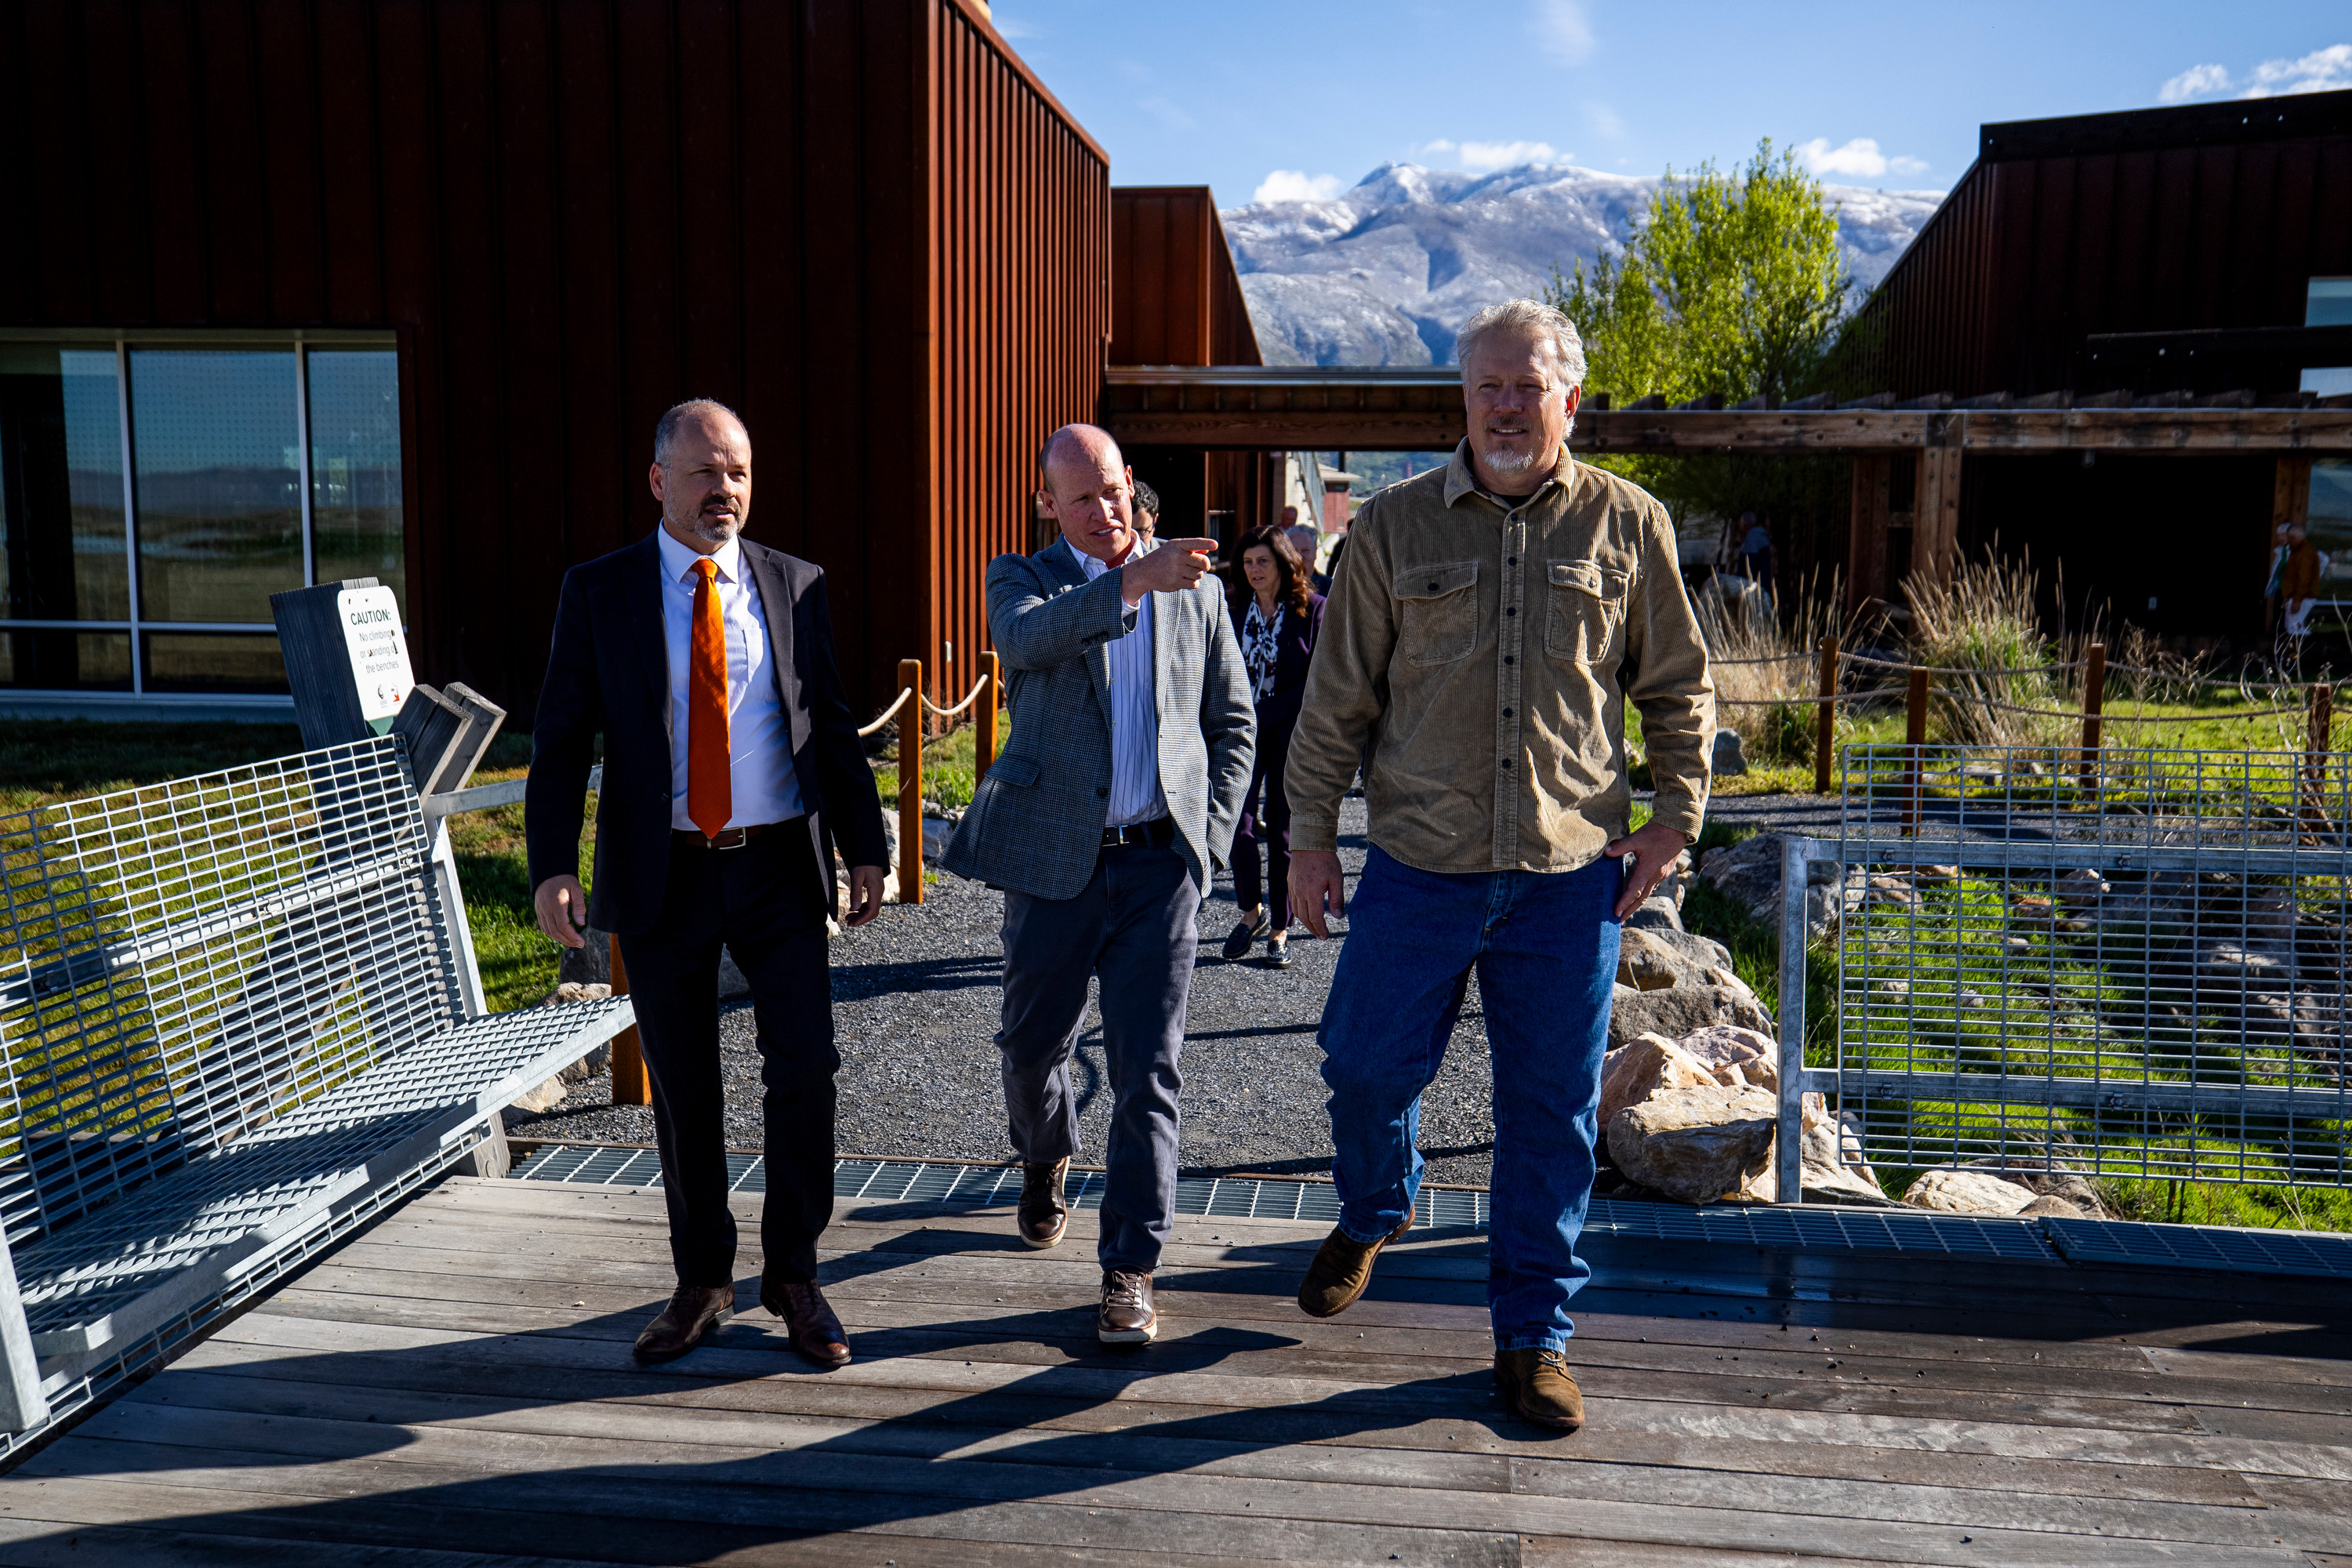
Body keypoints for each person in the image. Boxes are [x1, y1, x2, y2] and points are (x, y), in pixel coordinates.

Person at [1285, 299, 1713, 1432]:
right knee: (1364, 1067)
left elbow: (1678, 688)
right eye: (1488, 388)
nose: (1507, 407)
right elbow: (1335, 702)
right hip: (1418, 869)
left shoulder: (1631, 527)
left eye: (1529, 386)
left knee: (1550, 1115)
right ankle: (1380, 1201)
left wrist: (1674, 823)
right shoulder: (1388, 529)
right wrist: (1310, 837)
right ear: (1462, 401)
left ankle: (1534, 1338)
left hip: (1569, 882)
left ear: (1570, 396)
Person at [528, 399, 891, 1368]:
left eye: (737, 471)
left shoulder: (794, 584)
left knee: (805, 1070)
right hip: (664, 873)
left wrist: (866, 849)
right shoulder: (599, 592)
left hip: (776, 865)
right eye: (702, 472)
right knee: (687, 1091)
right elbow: (560, 740)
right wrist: (553, 864)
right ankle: (702, 1280)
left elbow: (833, 725)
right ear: (658, 481)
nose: (723, 489)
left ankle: (796, 1274)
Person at [941, 423, 1254, 1345]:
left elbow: (1231, 719)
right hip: (1051, 866)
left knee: (1147, 1072)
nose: (1107, 509)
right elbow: (1024, 642)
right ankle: (1046, 1155)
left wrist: (1211, 840)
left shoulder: (1193, 590)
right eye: (1083, 498)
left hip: (1161, 866)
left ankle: (1130, 1268)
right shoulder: (1023, 578)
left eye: (1115, 489)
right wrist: (1129, 584)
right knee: (1030, 1046)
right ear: (1048, 505)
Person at [1220, 524, 1325, 970]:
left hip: (1289, 735)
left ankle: (1280, 929)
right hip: (1239, 735)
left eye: (1263, 561)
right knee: (1237, 829)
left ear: (1284, 563)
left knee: (1282, 833)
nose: (1254, 570)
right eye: (1247, 563)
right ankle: (1252, 913)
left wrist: (1262, 712)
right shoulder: (1234, 607)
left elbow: (1316, 681)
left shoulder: (1313, 609)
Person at [1133, 477, 1161, 541]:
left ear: (1155, 521)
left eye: (1141, 531)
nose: (1135, 540)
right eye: (1126, 531)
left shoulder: (1170, 550)